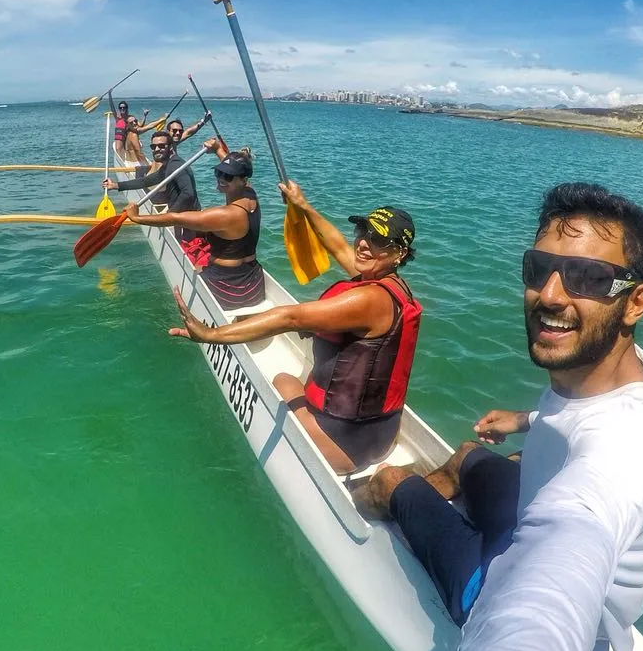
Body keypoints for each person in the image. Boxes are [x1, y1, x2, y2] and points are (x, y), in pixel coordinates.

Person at [357, 182, 643, 651]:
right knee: (470, 455)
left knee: (390, 481)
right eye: (539, 269)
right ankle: (449, 486)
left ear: (636, 300)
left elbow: (569, 549)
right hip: (521, 523)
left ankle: (373, 503)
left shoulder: (634, 447)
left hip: (558, 626)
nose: (551, 295)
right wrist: (524, 420)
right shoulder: (619, 373)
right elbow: (580, 420)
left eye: (588, 278)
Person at [168, 183, 421, 475]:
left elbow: (291, 319)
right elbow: (337, 245)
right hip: (382, 436)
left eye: (378, 239)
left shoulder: (369, 299)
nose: (364, 243)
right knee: (297, 379)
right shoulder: (395, 288)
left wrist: (211, 335)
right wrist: (302, 205)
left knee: (282, 379)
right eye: (363, 233)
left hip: (344, 446)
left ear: (399, 253)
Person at [124, 142, 265, 309]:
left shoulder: (227, 215)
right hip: (253, 281)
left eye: (228, 176)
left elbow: (176, 218)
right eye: (218, 172)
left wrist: (137, 217)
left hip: (230, 289)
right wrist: (218, 150)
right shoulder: (251, 195)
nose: (220, 178)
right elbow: (232, 171)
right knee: (200, 265)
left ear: (243, 180)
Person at [103, 129, 200, 228]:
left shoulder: (176, 165)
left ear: (171, 147)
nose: (157, 149)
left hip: (188, 223)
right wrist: (116, 185)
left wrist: (169, 215)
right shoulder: (168, 166)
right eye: (153, 146)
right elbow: (146, 181)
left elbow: (188, 193)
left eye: (161, 146)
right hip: (181, 218)